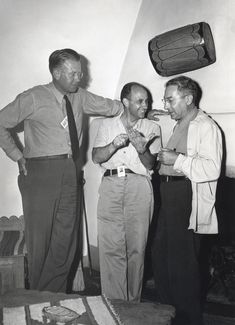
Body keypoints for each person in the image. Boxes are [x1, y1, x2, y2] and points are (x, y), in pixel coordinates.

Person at [0, 48, 129, 293]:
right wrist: (17, 155)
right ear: (57, 73)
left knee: (66, 240)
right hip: (40, 173)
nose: (79, 78)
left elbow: (110, 106)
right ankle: (39, 299)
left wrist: (137, 110)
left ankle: (54, 297)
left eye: (80, 73)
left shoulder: (79, 96)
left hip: (70, 171)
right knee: (42, 240)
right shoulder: (34, 97)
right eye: (73, 73)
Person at [151, 76, 222, 324]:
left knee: (183, 268)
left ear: (188, 99)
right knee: (161, 260)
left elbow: (212, 169)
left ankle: (187, 320)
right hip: (169, 195)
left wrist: (176, 160)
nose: (166, 105)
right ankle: (168, 317)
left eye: (170, 100)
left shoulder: (205, 126)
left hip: (186, 197)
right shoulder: (181, 123)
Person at [92, 82, 162, 302]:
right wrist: (113, 145)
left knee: (136, 249)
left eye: (147, 101)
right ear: (125, 102)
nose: (145, 105)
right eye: (140, 101)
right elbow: (96, 157)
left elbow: (151, 165)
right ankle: (115, 305)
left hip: (139, 186)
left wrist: (142, 149)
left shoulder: (152, 128)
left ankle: (133, 305)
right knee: (110, 248)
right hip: (111, 184)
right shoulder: (107, 126)